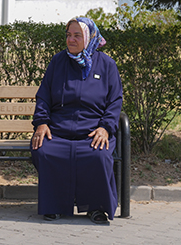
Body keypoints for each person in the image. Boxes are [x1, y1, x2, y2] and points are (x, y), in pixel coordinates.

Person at [30, 16, 123, 224]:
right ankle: (55, 205)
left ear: (89, 38)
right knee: (44, 151)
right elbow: (43, 95)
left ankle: (96, 208)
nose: (71, 40)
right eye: (68, 35)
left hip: (92, 130)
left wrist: (105, 128)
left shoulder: (107, 65)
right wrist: (42, 123)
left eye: (77, 35)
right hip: (59, 130)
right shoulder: (58, 61)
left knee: (98, 156)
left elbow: (115, 100)